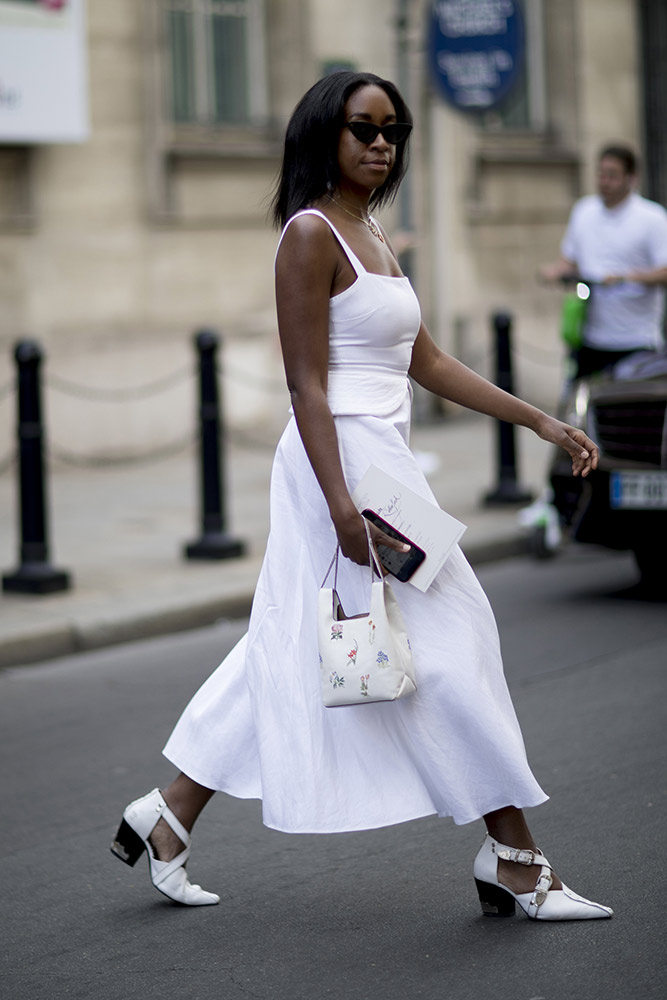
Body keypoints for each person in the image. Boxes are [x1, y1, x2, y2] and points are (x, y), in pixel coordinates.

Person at [110, 71, 612, 921]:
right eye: (362, 129)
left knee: (297, 638)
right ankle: (517, 857)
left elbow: (426, 361)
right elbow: (306, 386)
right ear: (324, 136)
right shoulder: (310, 236)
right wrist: (342, 508)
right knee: (452, 642)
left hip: (384, 470)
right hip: (340, 471)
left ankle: (168, 813)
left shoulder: (371, 232)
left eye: (393, 131)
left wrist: (537, 419)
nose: (381, 144)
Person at [540, 143, 667, 380]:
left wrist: (626, 277)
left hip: (637, 340)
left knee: (630, 413)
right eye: (600, 173)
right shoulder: (583, 211)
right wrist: (554, 272)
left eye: (612, 175)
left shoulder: (652, 218)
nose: (604, 181)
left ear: (632, 178)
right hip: (589, 337)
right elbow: (569, 261)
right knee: (581, 408)